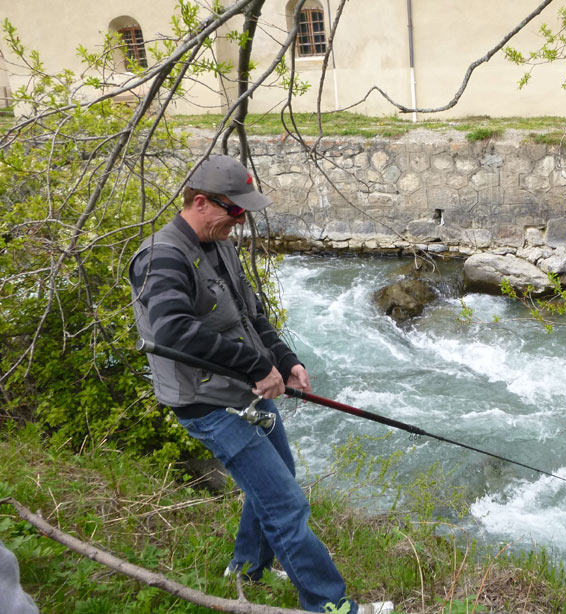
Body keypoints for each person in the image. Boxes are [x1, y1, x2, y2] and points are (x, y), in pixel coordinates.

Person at [128, 154, 391, 614]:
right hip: (206, 404)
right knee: (286, 506)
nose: (241, 220)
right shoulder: (161, 256)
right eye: (235, 210)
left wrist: (285, 360)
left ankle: (248, 567)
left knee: (276, 482)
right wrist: (253, 365)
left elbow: (252, 315)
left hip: (245, 393)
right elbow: (172, 330)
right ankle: (330, 605)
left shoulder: (221, 245)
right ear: (202, 202)